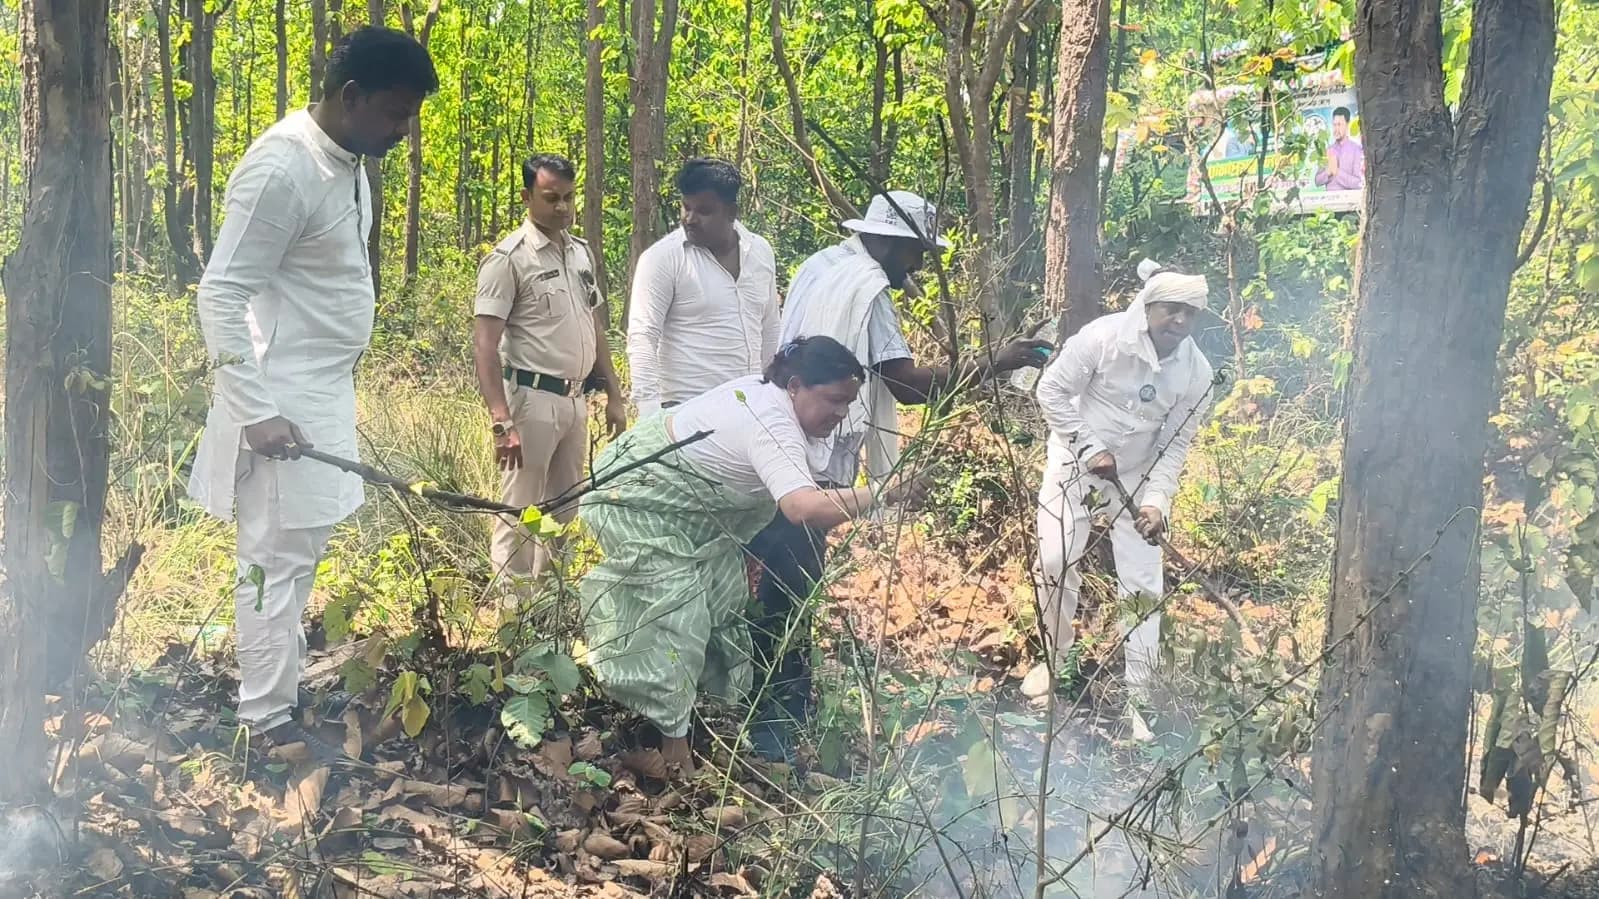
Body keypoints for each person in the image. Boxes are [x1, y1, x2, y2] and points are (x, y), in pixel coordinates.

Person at [188, 27, 439, 756]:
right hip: (280, 403)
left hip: (324, 393)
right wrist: (257, 410)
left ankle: (281, 695)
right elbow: (220, 293)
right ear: (350, 95)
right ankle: (263, 723)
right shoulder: (282, 167)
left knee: (297, 558)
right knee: (271, 560)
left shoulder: (347, 160)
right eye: (395, 115)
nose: (401, 132)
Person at [750, 191, 1050, 752]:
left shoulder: (822, 265)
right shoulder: (868, 290)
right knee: (793, 585)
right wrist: (997, 361)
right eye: (914, 253)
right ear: (890, 242)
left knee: (768, 581)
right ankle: (777, 728)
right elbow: (908, 385)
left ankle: (773, 707)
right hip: (815, 455)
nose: (916, 267)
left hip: (777, 434)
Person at [579, 337, 926, 773]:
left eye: (847, 404)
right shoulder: (770, 420)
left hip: (696, 520)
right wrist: (882, 493)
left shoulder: (785, 408)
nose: (840, 414)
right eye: (834, 400)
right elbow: (801, 507)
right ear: (796, 385)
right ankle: (673, 754)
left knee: (722, 605)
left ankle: (696, 722)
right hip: (635, 496)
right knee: (677, 615)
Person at [1032, 259, 1215, 692]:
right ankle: (1055, 660)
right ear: (1149, 306)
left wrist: (1156, 503)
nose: (1180, 319)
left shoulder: (1197, 374)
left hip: (1136, 473)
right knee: (1054, 561)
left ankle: (1140, 693)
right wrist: (1089, 446)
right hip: (1074, 463)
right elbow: (1051, 391)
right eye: (1172, 308)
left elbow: (1174, 447)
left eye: (1189, 313)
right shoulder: (1103, 337)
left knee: (1143, 581)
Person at [473, 153, 627, 595]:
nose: (562, 207)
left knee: (566, 508)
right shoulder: (508, 260)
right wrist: (501, 419)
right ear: (527, 197)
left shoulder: (579, 254)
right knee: (521, 510)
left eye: (568, 197)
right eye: (551, 198)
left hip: (575, 399)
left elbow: (593, 326)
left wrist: (613, 394)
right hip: (530, 399)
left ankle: (551, 607)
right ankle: (513, 614)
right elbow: (485, 344)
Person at [626, 158, 780, 416]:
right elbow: (642, 337)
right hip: (684, 411)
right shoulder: (663, 258)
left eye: (704, 211)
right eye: (686, 207)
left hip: (749, 408)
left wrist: (769, 394)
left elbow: (770, 328)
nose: (690, 219)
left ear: (732, 212)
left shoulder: (761, 252)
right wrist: (650, 416)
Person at [1314, 107, 1365, 191]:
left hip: (1350, 202)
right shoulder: (1328, 150)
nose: (1336, 129)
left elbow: (1359, 183)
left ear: (1347, 124)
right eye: (1334, 124)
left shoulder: (1357, 150)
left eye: (1339, 124)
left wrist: (1337, 172)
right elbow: (1317, 181)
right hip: (1328, 201)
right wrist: (1328, 172)